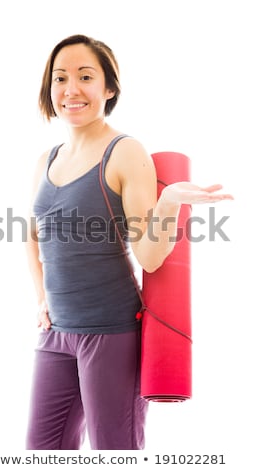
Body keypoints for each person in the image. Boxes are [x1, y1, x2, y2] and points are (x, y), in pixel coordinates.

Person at [25, 34, 233, 450]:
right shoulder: (47, 158)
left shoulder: (123, 152)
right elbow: (34, 233)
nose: (71, 89)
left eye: (86, 76)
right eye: (60, 77)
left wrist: (170, 200)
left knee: (115, 452)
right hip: (56, 336)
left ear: (109, 88)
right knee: (40, 452)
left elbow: (150, 257)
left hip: (112, 335)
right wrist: (41, 298)